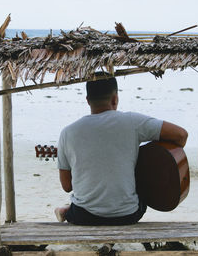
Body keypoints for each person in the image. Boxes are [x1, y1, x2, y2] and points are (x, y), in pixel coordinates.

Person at [55, 78, 188, 225]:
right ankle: (67, 210)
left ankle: (67, 210)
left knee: (77, 204)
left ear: (87, 100)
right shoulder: (132, 122)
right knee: (140, 194)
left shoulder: (68, 132)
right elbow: (181, 135)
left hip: (83, 217)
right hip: (127, 216)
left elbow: (67, 186)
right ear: (115, 98)